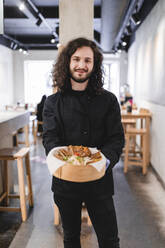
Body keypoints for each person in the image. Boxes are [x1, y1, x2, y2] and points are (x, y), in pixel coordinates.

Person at [42, 37, 125, 248]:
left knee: (109, 240)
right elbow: (50, 139)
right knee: (70, 238)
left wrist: (102, 162)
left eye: (87, 60)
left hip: (99, 179)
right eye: (76, 59)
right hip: (65, 182)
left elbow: (116, 138)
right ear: (67, 63)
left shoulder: (109, 100)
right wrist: (66, 161)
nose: (81, 65)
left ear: (94, 65)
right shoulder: (53, 103)